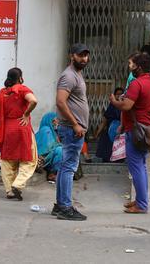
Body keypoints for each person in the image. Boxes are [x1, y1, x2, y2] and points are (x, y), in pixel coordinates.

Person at [109, 52, 150, 214]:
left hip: (136, 130)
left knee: (136, 167)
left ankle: (142, 204)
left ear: (138, 67)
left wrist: (114, 102)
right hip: (148, 128)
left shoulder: (136, 84)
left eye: (131, 64)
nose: (129, 67)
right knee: (142, 165)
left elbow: (126, 106)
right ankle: (141, 200)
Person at [52, 43, 91, 221]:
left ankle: (60, 205)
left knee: (65, 166)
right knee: (69, 168)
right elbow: (61, 102)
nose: (84, 58)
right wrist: (75, 124)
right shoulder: (68, 76)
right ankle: (65, 207)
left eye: (86, 55)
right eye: (80, 55)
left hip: (71, 128)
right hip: (71, 129)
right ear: (72, 56)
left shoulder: (77, 74)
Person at [0, 67, 38, 201]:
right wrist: (26, 114)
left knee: (8, 160)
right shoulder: (21, 89)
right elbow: (33, 101)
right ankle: (18, 185)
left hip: (7, 129)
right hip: (21, 127)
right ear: (20, 78)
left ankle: (9, 191)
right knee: (30, 159)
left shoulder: (2, 93)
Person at [94, 87, 124, 162]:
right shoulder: (111, 107)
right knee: (107, 150)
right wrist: (97, 133)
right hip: (110, 130)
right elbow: (104, 121)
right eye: (117, 94)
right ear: (114, 95)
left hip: (121, 132)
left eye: (121, 94)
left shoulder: (125, 106)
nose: (119, 96)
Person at [36, 112, 63, 182]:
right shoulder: (46, 130)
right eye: (55, 120)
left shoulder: (55, 131)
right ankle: (52, 174)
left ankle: (55, 172)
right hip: (44, 157)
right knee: (60, 150)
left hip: (50, 156)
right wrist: (59, 145)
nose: (57, 122)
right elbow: (48, 147)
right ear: (49, 120)